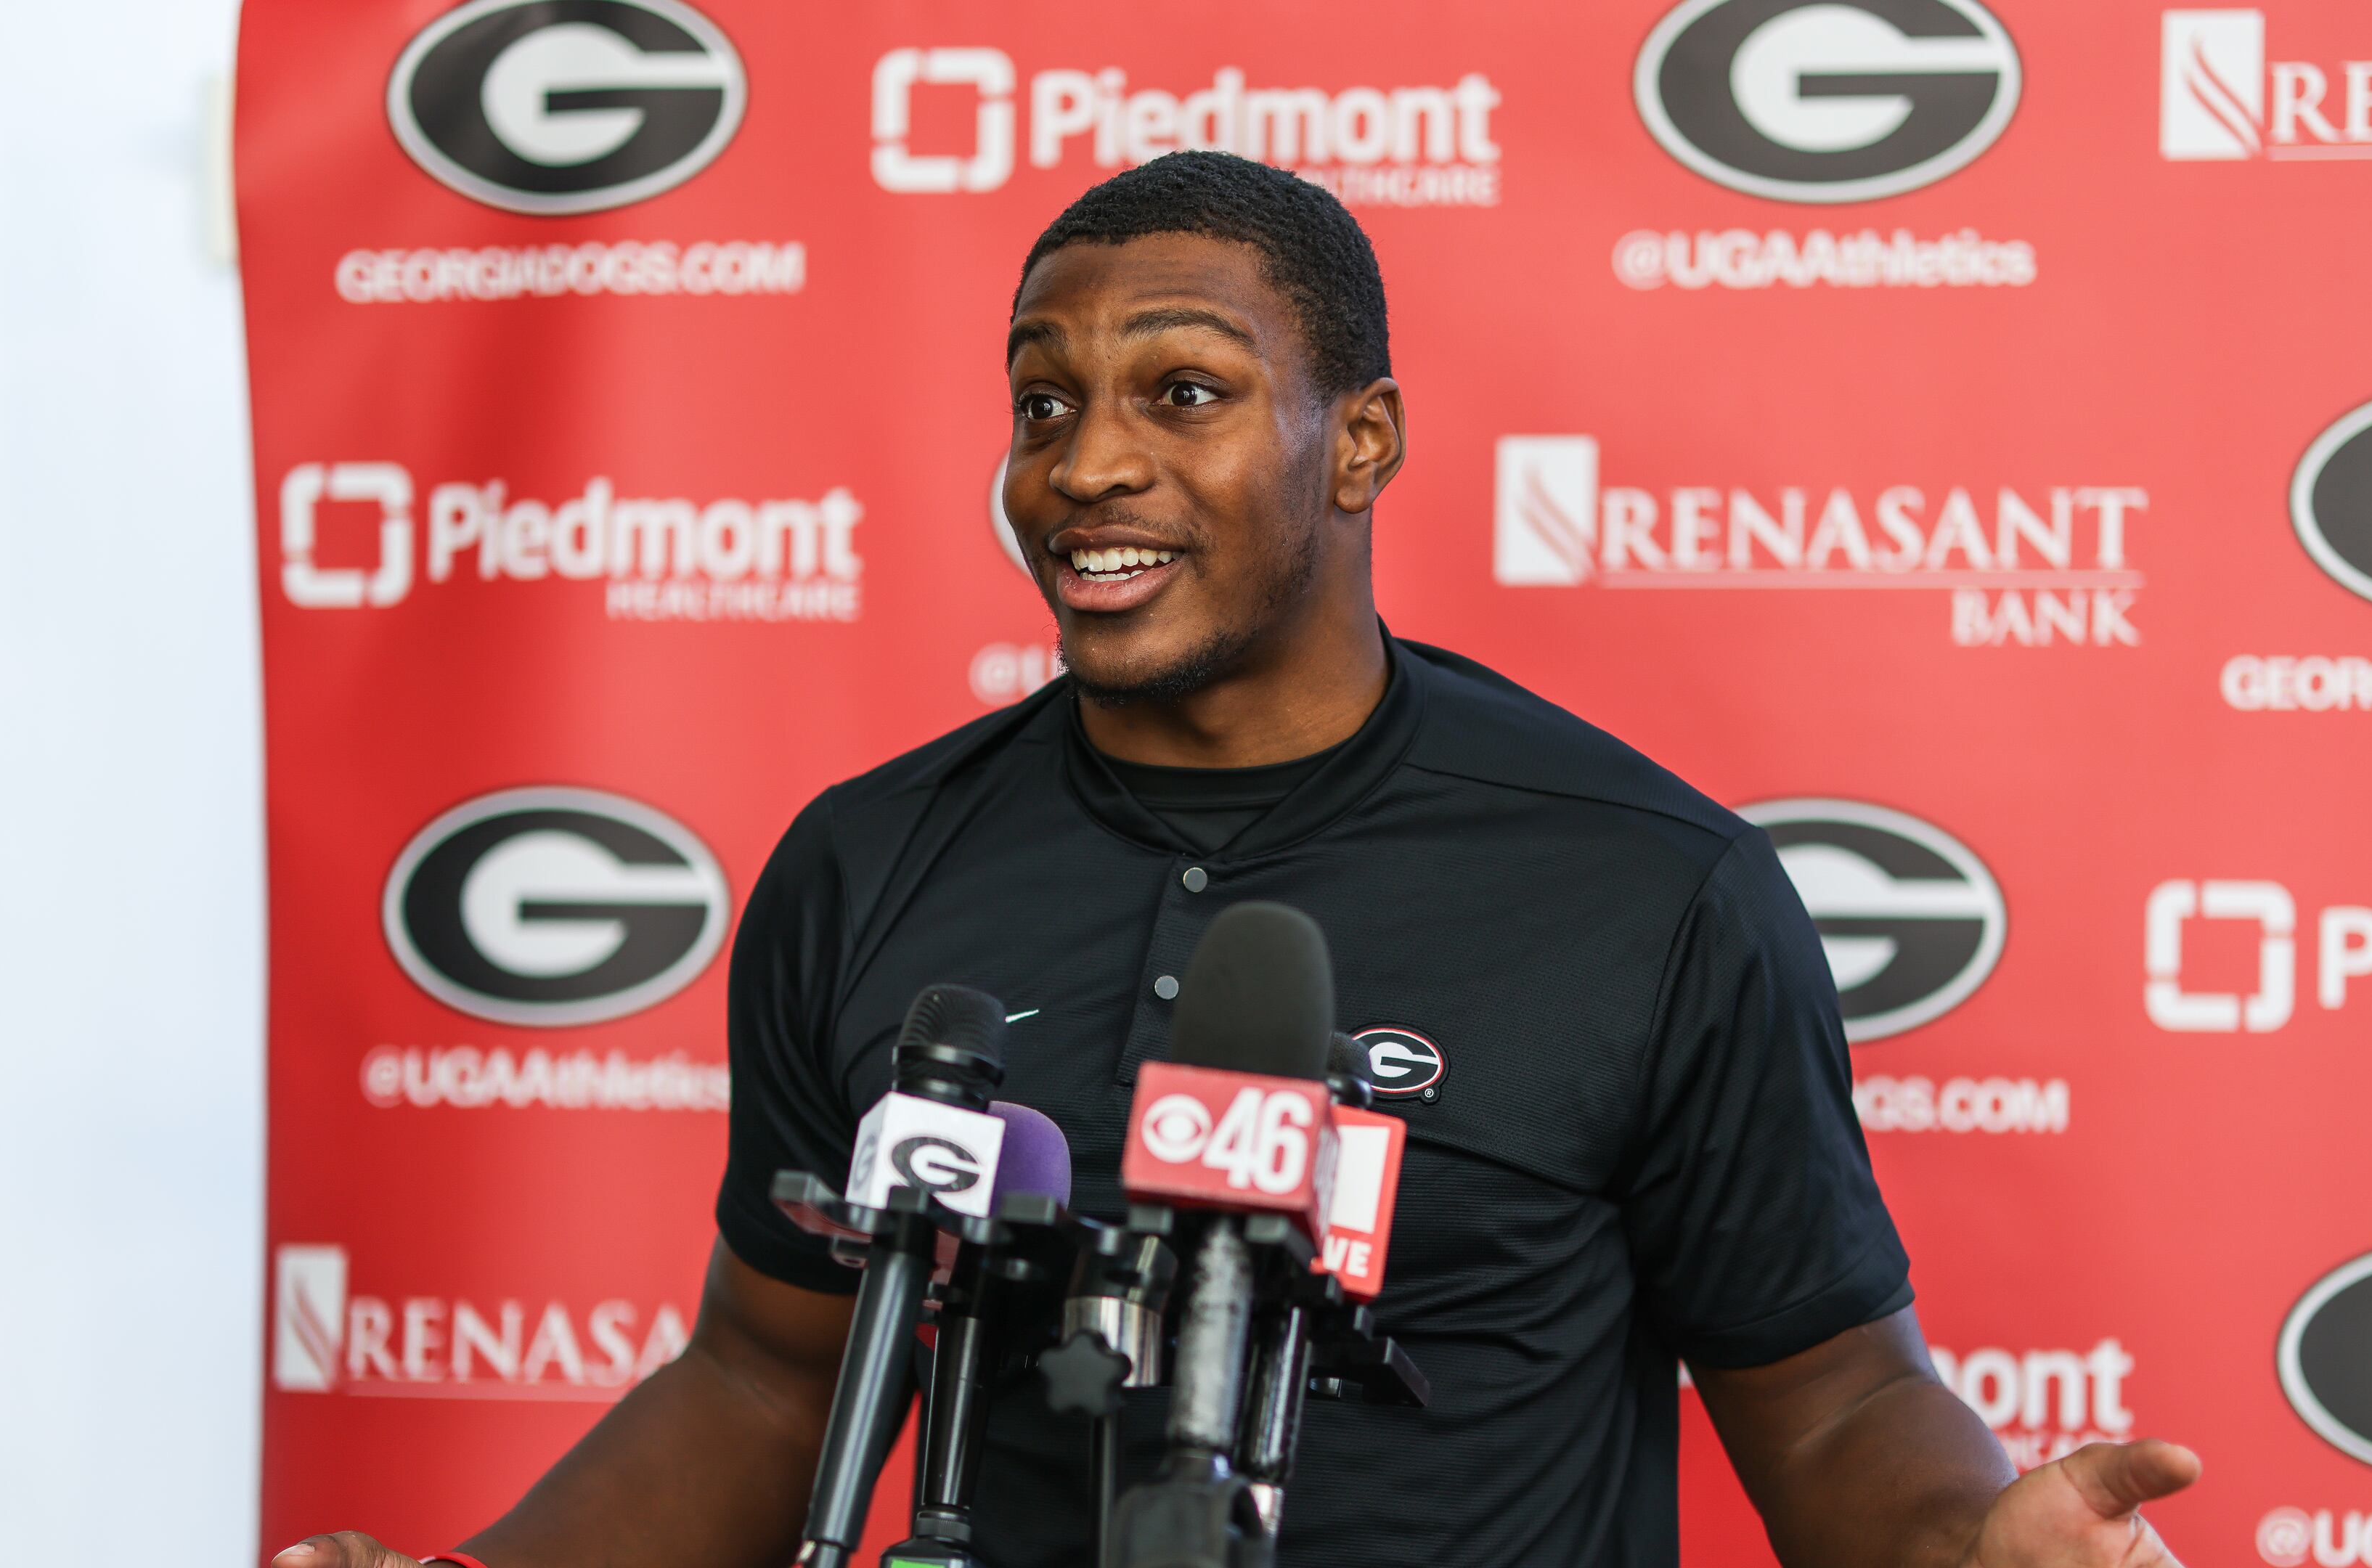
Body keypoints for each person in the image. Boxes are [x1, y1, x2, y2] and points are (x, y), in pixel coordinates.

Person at [280, 151, 2197, 1568]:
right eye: (1045, 405)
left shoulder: (1649, 889)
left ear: (1357, 444)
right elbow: (767, 1379)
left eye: (1179, 395)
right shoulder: (865, 869)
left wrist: (1977, 1545)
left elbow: (1838, 1397)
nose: (1086, 465)